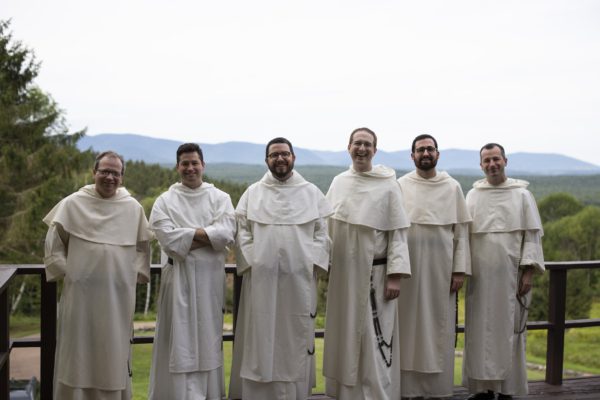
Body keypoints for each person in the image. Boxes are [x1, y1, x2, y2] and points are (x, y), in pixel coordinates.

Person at [229, 137, 332, 400]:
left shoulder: (310, 192)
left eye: (285, 154)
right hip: (260, 279)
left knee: (294, 337)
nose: (280, 159)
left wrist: (309, 263)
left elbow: (322, 234)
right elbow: (243, 232)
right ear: (267, 160)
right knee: (259, 335)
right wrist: (256, 261)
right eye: (274, 155)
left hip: (300, 280)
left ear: (293, 158)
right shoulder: (253, 193)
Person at [43, 150, 151, 400]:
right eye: (104, 171)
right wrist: (73, 274)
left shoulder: (132, 208)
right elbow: (53, 245)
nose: (110, 177)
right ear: (94, 173)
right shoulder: (72, 204)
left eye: (115, 172)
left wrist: (129, 277)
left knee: (113, 352)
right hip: (79, 297)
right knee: (77, 353)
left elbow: (142, 249)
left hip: (117, 298)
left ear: (122, 177)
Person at [323, 127, 411, 400]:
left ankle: (377, 395)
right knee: (346, 336)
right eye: (357, 143)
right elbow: (326, 229)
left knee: (376, 340)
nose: (362, 149)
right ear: (348, 147)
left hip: (378, 273)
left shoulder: (388, 184)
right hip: (344, 276)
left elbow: (397, 232)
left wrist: (395, 275)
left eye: (367, 144)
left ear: (375, 149)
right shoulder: (339, 182)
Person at [148, 143, 235, 400]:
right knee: (176, 339)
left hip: (209, 282)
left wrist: (184, 236)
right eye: (185, 163)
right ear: (177, 166)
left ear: (203, 165)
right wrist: (208, 235)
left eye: (194, 163)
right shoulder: (165, 201)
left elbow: (227, 233)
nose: (190, 168)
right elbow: (167, 239)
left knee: (208, 339)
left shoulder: (220, 198)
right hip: (177, 281)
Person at [462, 143, 545, 400]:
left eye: (495, 159)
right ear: (481, 165)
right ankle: (482, 390)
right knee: (479, 334)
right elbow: (463, 239)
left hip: (512, 279)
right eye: (486, 161)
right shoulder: (473, 196)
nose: (491, 165)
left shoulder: (521, 196)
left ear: (505, 161)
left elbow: (531, 237)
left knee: (510, 333)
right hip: (480, 280)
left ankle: (508, 389)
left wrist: (528, 273)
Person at [396, 134, 472, 399]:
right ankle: (407, 389)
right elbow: (393, 231)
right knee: (406, 326)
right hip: (408, 269)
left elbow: (461, 232)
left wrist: (459, 269)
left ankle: (436, 390)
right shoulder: (401, 185)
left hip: (442, 270)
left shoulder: (452, 187)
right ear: (412, 155)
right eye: (420, 150)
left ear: (437, 154)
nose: (425, 153)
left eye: (430, 149)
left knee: (438, 327)